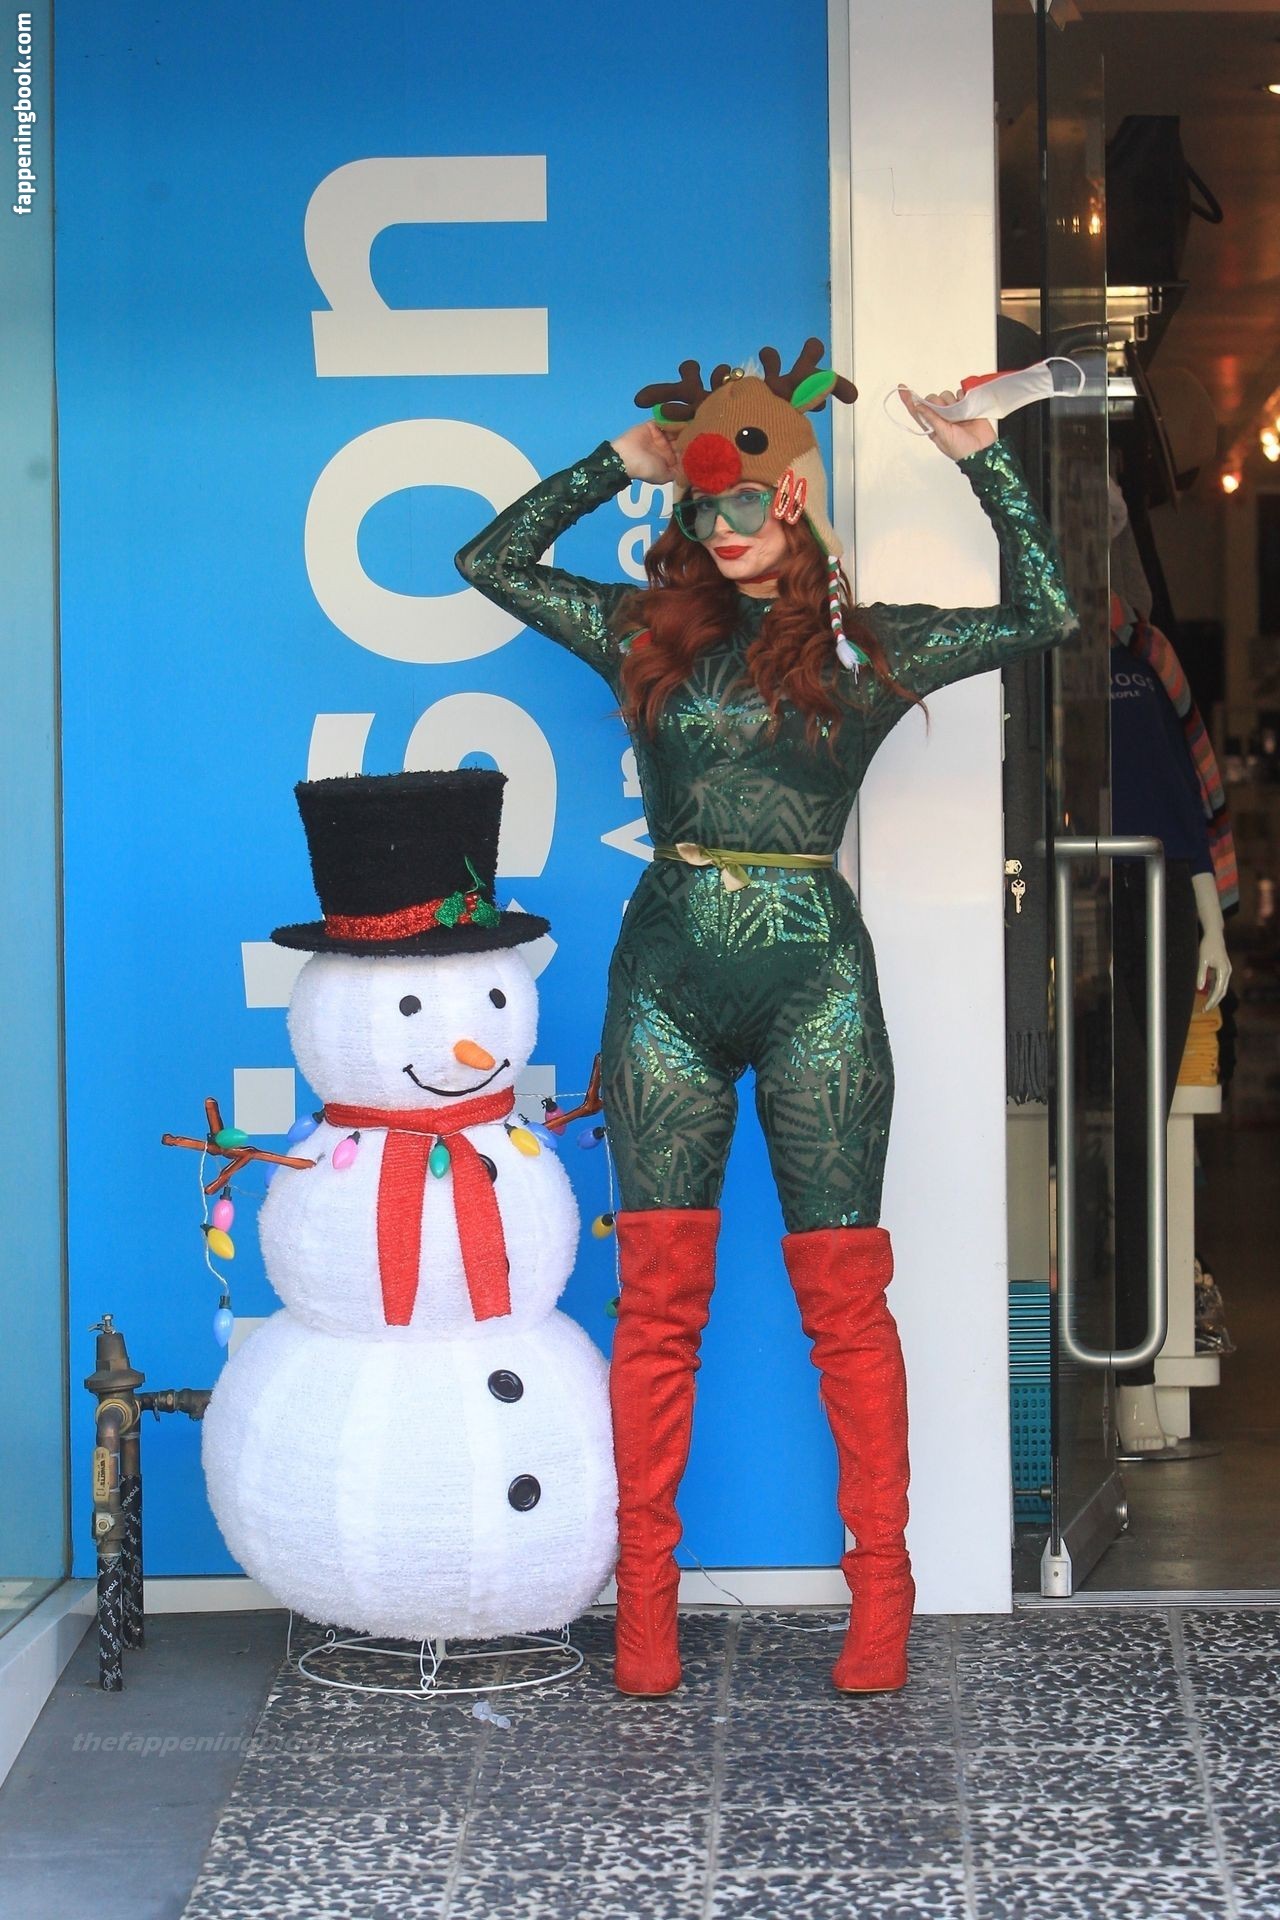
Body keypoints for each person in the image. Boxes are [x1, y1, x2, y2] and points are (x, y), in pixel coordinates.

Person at [455, 340, 1075, 1697]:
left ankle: (883, 1595)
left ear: (794, 496)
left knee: (846, 1301)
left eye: (746, 499)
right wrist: (611, 464)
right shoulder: (647, 633)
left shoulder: (867, 648)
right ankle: (645, 1608)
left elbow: (1046, 611)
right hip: (666, 982)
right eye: (702, 504)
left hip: (815, 987)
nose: (724, 526)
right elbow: (488, 562)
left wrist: (986, 464)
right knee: (657, 1304)